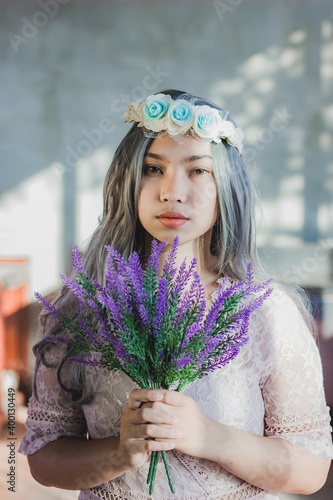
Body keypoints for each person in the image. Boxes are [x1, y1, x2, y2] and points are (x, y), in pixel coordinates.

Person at [19, 89, 333, 500]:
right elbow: (44, 456)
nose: (171, 191)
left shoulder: (268, 314)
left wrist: (209, 437)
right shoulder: (82, 310)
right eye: (153, 168)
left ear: (227, 187)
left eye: (197, 171)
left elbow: (310, 470)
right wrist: (120, 454)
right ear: (128, 181)